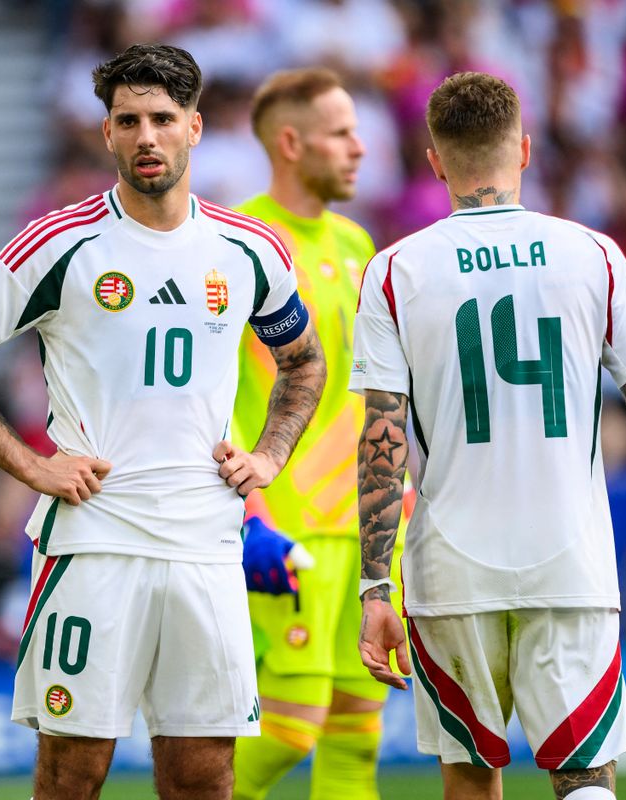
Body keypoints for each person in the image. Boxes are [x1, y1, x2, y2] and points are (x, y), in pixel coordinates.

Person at [0, 44, 327, 800]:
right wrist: (33, 466)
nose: (146, 136)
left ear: (195, 128)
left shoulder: (249, 248)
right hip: (95, 543)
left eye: (163, 119)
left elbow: (305, 362)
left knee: (204, 776)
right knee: (73, 773)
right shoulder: (59, 244)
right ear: (105, 134)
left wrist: (268, 455)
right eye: (127, 120)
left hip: (206, 544)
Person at [350, 72, 626, 800]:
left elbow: (381, 436)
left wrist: (375, 584)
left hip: (451, 568)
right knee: (586, 776)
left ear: (436, 160)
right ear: (526, 150)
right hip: (569, 559)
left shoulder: (395, 271)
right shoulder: (592, 254)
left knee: (471, 780)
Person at [230, 67, 399, 800]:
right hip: (284, 524)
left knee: (356, 734)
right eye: (341, 134)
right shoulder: (238, 243)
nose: (360, 148)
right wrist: (248, 514)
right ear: (291, 143)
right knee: (289, 728)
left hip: (360, 528)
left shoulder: (359, 244)